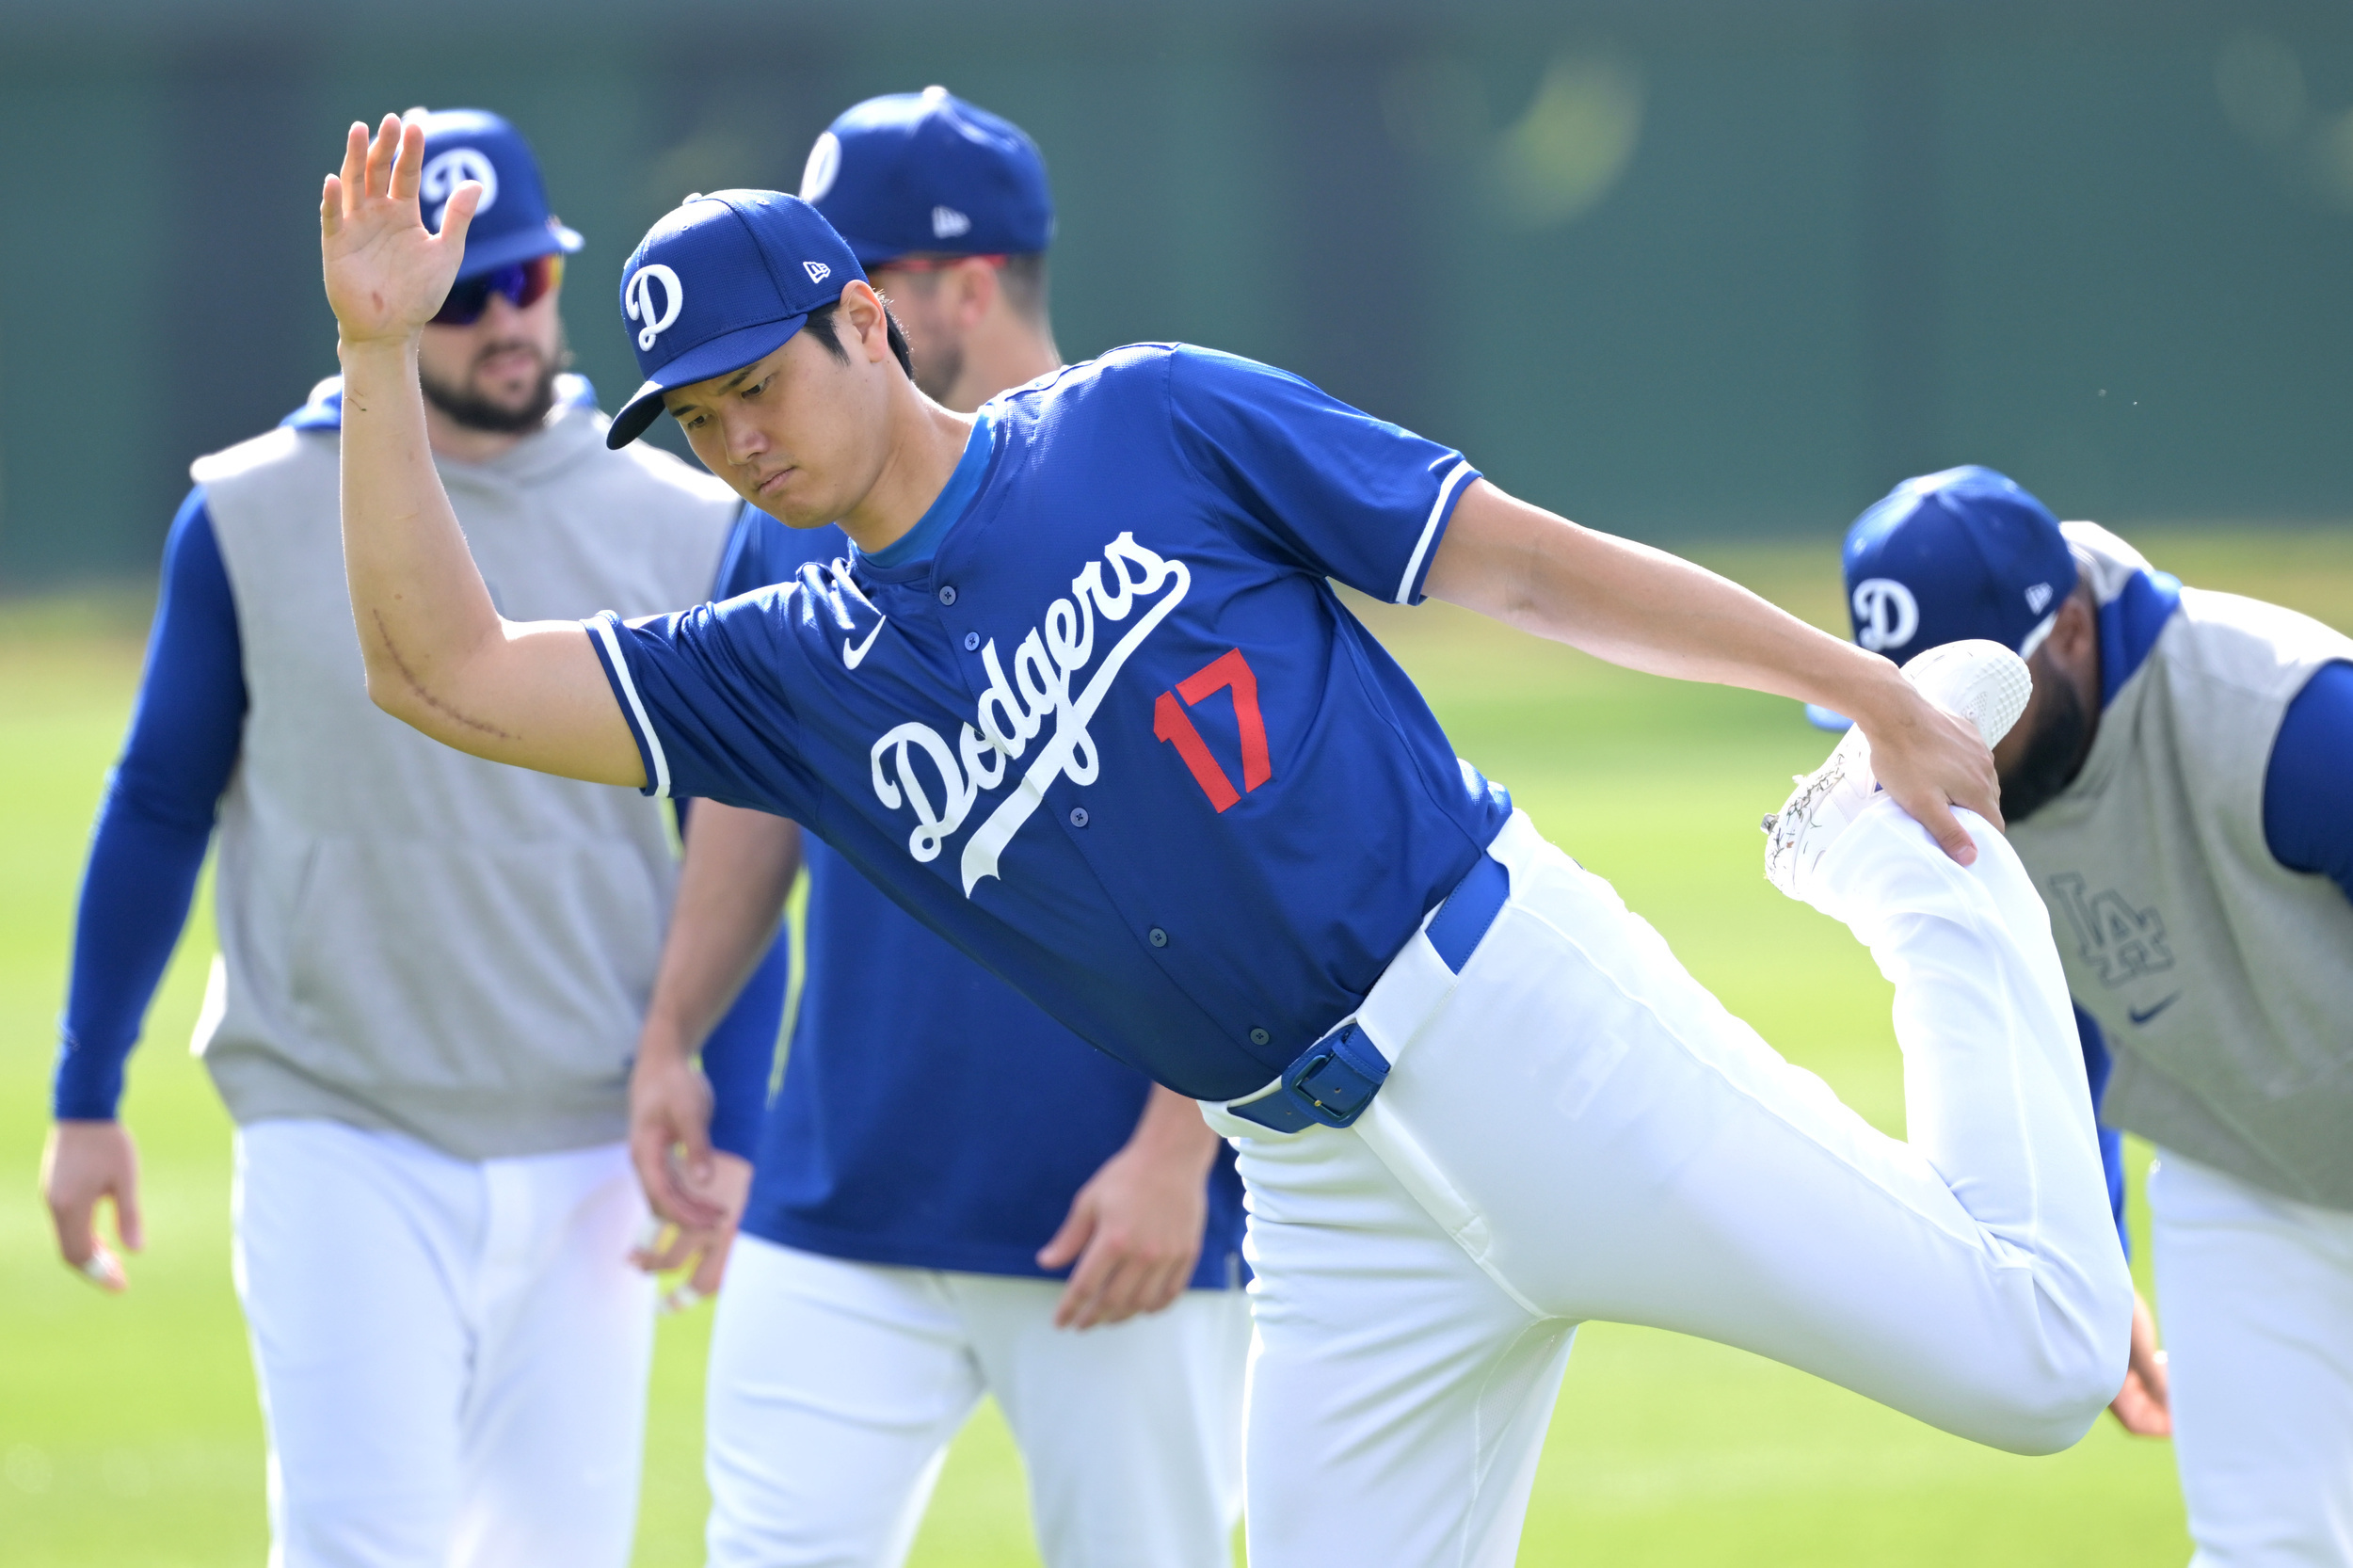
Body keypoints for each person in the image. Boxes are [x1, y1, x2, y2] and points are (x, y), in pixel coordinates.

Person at [317, 117, 2136, 1568]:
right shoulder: (788, 669)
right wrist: (377, 355)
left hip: (1518, 1028)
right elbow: (445, 673)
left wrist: (1858, 690)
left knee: (2043, 1359)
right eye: (697, 422)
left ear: (863, 318)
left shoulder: (1144, 421)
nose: (739, 444)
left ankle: (1903, 881)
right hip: (1326, 1202)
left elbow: (1519, 560)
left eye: (756, 386)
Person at [38, 108, 785, 1568]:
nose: (510, 320)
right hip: (341, 1125)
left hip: (592, 1141)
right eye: (467, 290)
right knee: (356, 1549)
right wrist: (86, 1093)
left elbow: (745, 843)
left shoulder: (684, 523)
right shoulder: (249, 511)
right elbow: (157, 803)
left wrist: (737, 1118)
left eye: (528, 278)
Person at [627, 89, 1250, 1568]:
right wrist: (675, 1036)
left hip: (1113, 1215)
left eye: (866, 280)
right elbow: (745, 796)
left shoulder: (1141, 482)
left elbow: (1259, 845)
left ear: (965, 286)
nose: (805, 327)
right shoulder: (783, 496)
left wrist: (1183, 1148)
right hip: (842, 1190)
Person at [1818, 466, 2353, 1568]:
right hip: (2243, 1163)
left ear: (2064, 629)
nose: (1919, 742)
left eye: (1963, 699)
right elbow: (2063, 1011)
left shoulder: (2287, 722)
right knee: (2266, 1547)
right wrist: (2094, 1263)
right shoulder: (1964, 787)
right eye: (1894, 707)